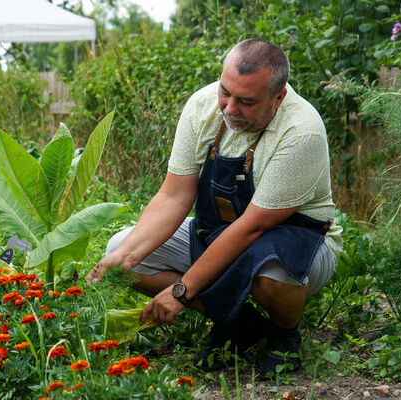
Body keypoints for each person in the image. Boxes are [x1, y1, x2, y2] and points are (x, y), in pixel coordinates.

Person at [86, 38, 342, 378]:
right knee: (121, 249)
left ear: (278, 98)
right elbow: (175, 195)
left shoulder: (300, 132)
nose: (230, 108)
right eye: (226, 92)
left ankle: (284, 336)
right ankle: (240, 322)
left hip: (297, 241)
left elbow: (252, 227)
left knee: (273, 272)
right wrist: (127, 257)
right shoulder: (203, 106)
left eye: (246, 101)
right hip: (220, 232)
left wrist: (181, 291)